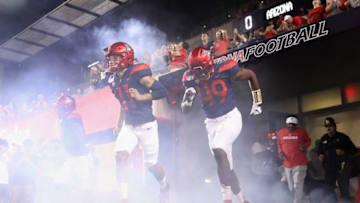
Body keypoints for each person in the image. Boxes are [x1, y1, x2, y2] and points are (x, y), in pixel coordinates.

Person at [181, 47, 262, 203]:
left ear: (210, 64)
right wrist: (187, 100)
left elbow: (251, 75)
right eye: (196, 73)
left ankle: (226, 198)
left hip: (230, 118)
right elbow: (184, 109)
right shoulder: (189, 78)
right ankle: (242, 199)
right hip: (211, 123)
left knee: (218, 149)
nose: (201, 76)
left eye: (202, 71)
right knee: (226, 167)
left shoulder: (224, 67)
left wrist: (258, 102)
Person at [103, 42, 169, 203]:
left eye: (115, 57)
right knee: (120, 156)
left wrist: (141, 97)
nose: (111, 61)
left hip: (147, 125)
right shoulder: (113, 78)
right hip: (129, 125)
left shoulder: (138, 72)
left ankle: (165, 185)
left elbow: (162, 91)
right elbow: (122, 102)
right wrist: (119, 123)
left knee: (151, 165)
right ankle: (124, 198)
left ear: (126, 57)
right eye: (110, 57)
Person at [56, 95, 94, 200]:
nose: (58, 110)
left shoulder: (72, 117)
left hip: (79, 156)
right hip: (72, 156)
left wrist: (82, 146)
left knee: (84, 186)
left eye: (60, 107)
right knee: (62, 182)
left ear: (66, 107)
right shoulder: (66, 119)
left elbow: (78, 132)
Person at [317, 117, 358, 202]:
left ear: (335, 126)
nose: (328, 128)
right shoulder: (323, 139)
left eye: (330, 126)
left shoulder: (343, 137)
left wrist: (343, 152)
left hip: (342, 169)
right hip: (329, 170)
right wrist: (320, 156)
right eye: (326, 126)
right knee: (329, 190)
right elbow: (319, 151)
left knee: (344, 190)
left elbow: (354, 150)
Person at [277, 115, 311, 203]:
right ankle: (304, 199)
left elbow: (308, 140)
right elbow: (279, 144)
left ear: (296, 125)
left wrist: (305, 146)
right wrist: (280, 152)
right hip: (287, 164)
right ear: (286, 124)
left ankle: (297, 201)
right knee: (291, 186)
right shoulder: (281, 132)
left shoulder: (302, 132)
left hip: (300, 163)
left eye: (293, 124)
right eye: (289, 124)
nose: (291, 126)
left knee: (297, 184)